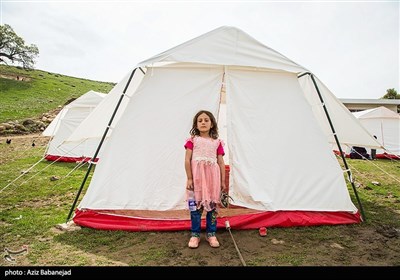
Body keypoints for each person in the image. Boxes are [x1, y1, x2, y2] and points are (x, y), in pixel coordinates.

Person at [184, 110, 226, 249]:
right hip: (196, 179)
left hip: (212, 180)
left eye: (206, 120)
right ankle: (195, 234)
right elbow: (187, 160)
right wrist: (189, 178)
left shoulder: (217, 142)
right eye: (200, 120)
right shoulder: (192, 141)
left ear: (212, 124)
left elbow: (220, 162)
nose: (203, 122)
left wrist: (223, 181)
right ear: (196, 124)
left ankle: (211, 233)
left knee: (212, 207)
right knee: (195, 207)